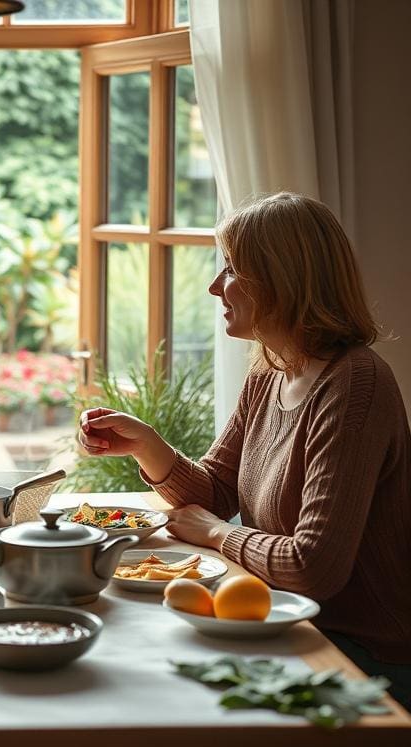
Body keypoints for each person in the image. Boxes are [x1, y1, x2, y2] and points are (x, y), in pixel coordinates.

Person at [78, 192, 410, 705]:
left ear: (282, 279)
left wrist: (214, 534)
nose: (215, 287)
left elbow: (312, 567)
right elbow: (215, 492)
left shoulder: (354, 386)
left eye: (231, 268)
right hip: (285, 618)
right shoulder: (271, 368)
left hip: (358, 653)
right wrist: (148, 446)